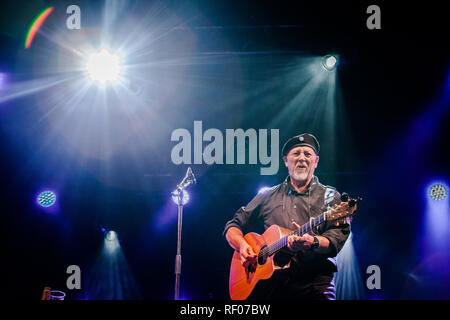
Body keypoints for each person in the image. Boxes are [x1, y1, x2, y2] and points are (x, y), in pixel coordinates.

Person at [224, 133, 350, 300]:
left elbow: (335, 241)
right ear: (286, 160)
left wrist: (312, 242)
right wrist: (241, 246)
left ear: (316, 161)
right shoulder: (268, 195)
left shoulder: (331, 197)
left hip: (315, 286)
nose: (302, 158)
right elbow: (233, 225)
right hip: (273, 288)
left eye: (307, 154)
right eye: (296, 153)